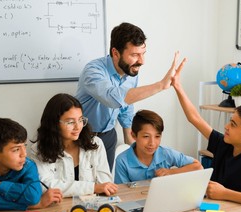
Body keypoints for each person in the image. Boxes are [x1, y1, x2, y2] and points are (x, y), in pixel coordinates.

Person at [171, 57, 241, 211]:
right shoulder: (225, 143)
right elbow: (194, 118)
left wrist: (225, 193)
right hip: (220, 211)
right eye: (230, 121)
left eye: (233, 124)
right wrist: (177, 86)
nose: (226, 126)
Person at [75, 22, 179, 171]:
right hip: (82, 135)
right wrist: (161, 85)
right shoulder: (93, 70)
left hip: (109, 136)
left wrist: (132, 146)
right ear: (116, 53)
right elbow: (112, 98)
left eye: (143, 53)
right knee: (84, 187)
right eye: (135, 55)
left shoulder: (131, 71)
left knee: (106, 185)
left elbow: (126, 107)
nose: (141, 61)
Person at [30, 93, 118, 197]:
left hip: (92, 208)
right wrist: (93, 188)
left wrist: (101, 188)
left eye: (80, 120)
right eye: (70, 122)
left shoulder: (95, 143)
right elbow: (46, 186)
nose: (78, 127)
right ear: (54, 123)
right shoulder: (38, 149)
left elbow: (105, 183)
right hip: (58, 209)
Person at [0, 118, 61, 211]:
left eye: (24, 146)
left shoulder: (28, 165)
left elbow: (33, 196)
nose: (24, 154)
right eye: (16, 149)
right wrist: (33, 206)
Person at [114, 109, 203, 184]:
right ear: (133, 135)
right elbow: (122, 193)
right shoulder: (122, 161)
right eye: (146, 136)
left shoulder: (166, 153)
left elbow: (197, 166)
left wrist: (171, 172)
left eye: (157, 136)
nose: (152, 143)